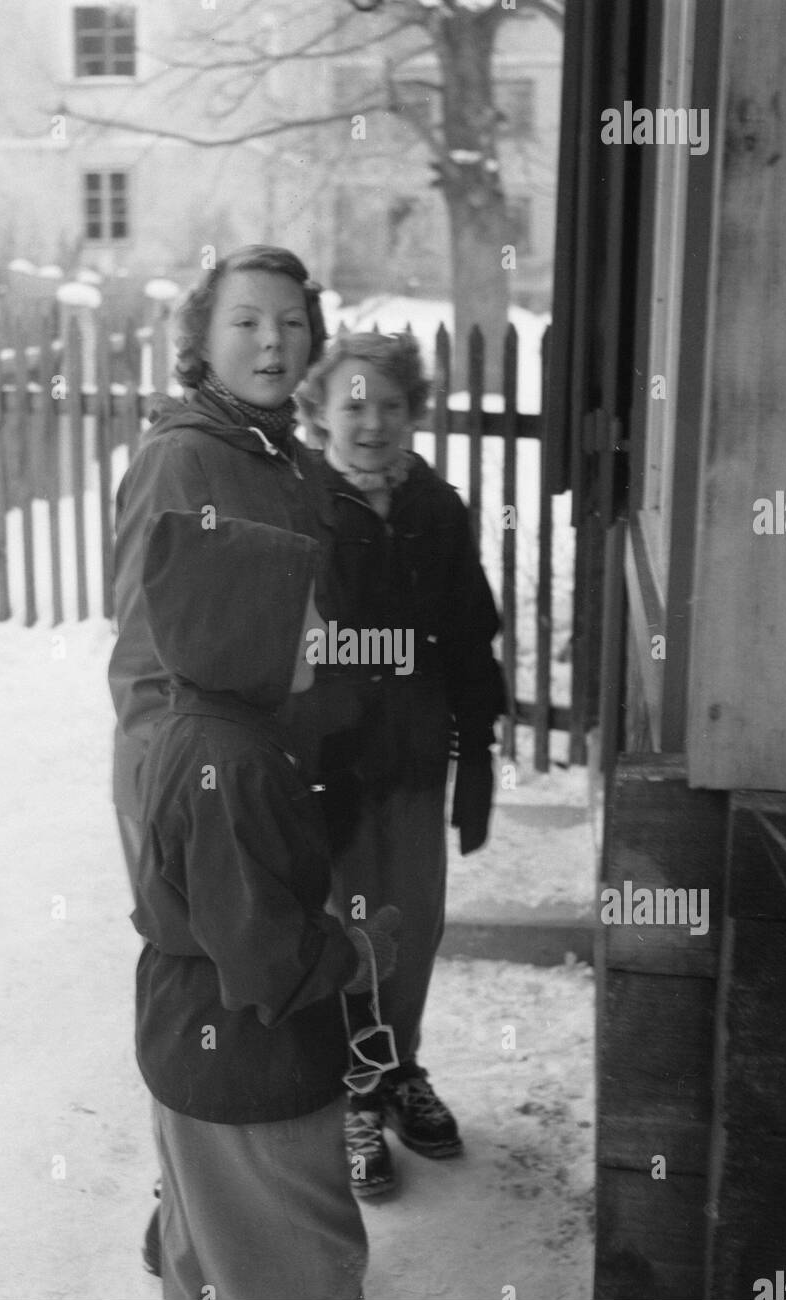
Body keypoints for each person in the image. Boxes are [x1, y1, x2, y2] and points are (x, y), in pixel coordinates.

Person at [107, 245, 335, 1270]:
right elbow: (150, 650)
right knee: (230, 994)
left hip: (255, 760)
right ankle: (219, 1219)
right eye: (246, 320)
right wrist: (198, 795)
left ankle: (200, 1227)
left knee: (233, 990)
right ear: (200, 339)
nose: (272, 341)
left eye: (290, 322)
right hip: (201, 774)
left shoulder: (275, 448)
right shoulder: (184, 455)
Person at [132, 509, 400, 1299]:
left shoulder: (202, 727)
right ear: (237, 634)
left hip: (191, 1041)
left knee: (209, 1248)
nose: (320, 626)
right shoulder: (233, 767)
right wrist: (354, 956)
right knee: (295, 1261)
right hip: (246, 1066)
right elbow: (261, 954)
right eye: (299, 611)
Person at [297, 330, 507, 1199]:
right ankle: (348, 1090)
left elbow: (468, 635)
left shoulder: (436, 510)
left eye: (389, 405)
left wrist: (479, 748)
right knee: (345, 924)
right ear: (316, 412)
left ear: (414, 414)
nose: (371, 422)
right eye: (352, 404)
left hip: (417, 758)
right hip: (333, 768)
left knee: (410, 921)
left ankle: (399, 1068)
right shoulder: (301, 507)